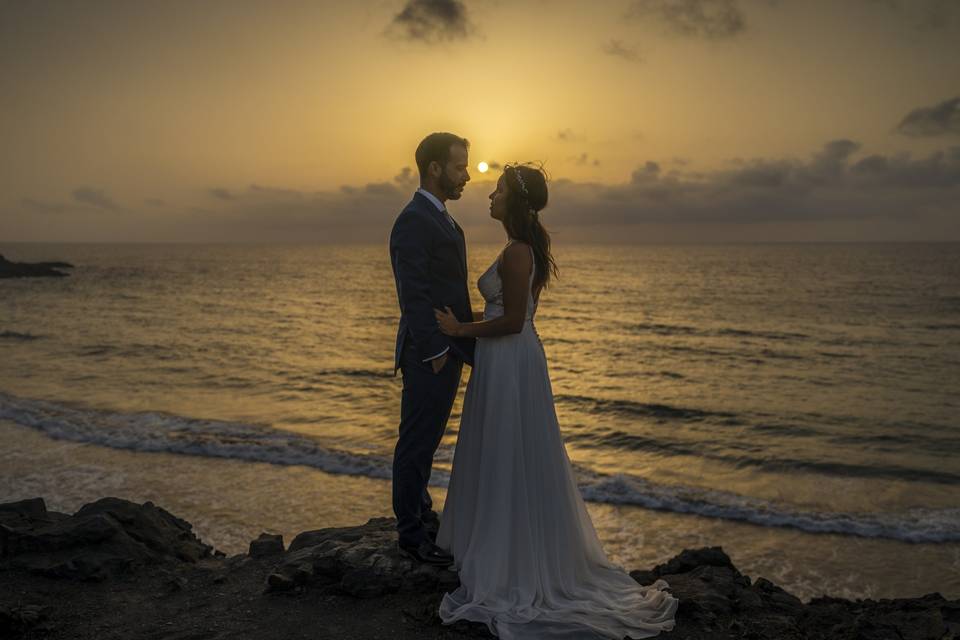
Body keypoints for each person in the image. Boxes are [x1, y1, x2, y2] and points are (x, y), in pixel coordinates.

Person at [432, 164, 679, 639]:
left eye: (499, 189)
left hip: (511, 359)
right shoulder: (516, 248)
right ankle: (500, 545)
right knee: (503, 451)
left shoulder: (520, 252)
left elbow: (513, 322)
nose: (491, 194)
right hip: (504, 363)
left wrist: (460, 330)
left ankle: (514, 562)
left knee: (512, 452)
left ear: (515, 202)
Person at [388, 132, 476, 566]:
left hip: (450, 348)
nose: (466, 176)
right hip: (430, 354)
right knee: (416, 443)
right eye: (460, 167)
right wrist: (435, 351)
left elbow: (451, 292)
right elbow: (414, 293)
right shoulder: (413, 220)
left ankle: (422, 513)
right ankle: (410, 534)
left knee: (428, 441)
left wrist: (471, 344)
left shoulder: (444, 219)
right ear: (436, 168)